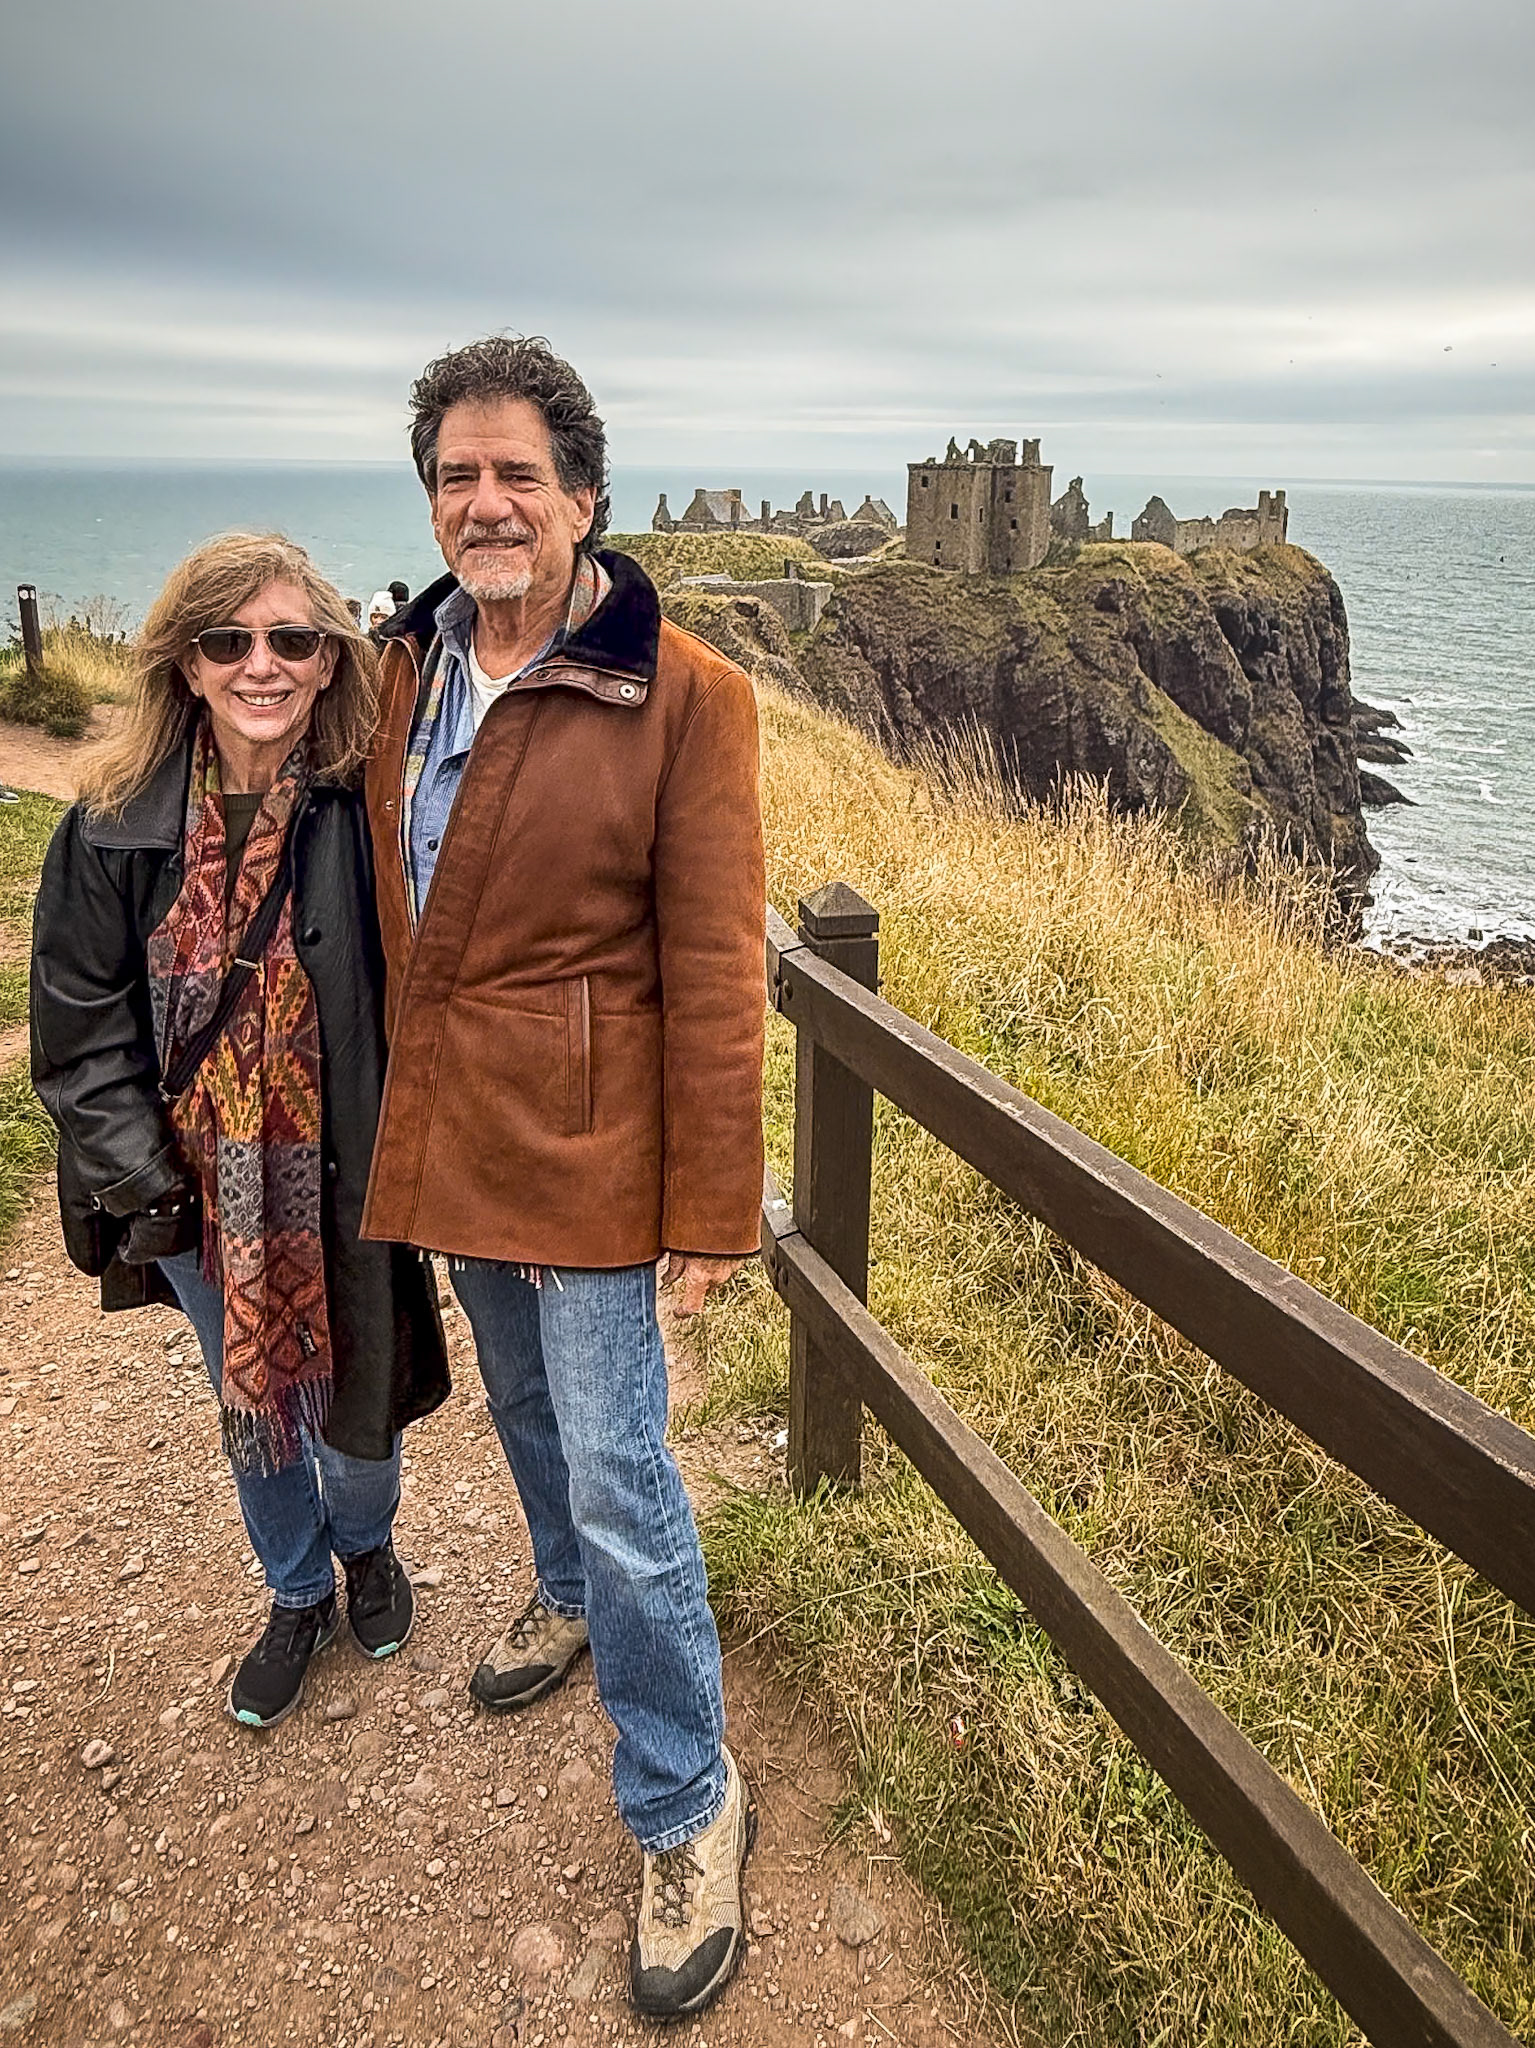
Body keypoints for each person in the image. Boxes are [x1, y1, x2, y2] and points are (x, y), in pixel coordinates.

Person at [365, 336, 765, 2019]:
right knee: (525, 1418)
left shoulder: (684, 691)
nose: (485, 500)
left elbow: (716, 963)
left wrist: (711, 1207)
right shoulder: (391, 676)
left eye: (517, 471)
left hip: (600, 1147)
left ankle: (687, 1799)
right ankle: (561, 1594)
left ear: (583, 494)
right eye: (457, 474)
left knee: (621, 1463)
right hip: (455, 1119)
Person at [31, 532, 450, 1731]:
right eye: (229, 640)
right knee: (252, 1395)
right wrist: (144, 1180)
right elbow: (78, 1026)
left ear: (330, 661)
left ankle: (365, 1547)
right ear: (186, 665)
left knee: (359, 1389)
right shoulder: (112, 823)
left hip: (348, 1166)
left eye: (290, 639)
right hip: (192, 1188)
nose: (260, 663)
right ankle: (294, 1587)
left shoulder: (373, 804)